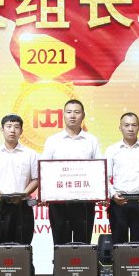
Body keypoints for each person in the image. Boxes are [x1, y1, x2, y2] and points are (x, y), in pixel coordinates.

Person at [41, 99, 102, 245]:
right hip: (58, 202)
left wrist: (100, 193)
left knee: (84, 244)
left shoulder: (91, 140)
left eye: (77, 112)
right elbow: (44, 170)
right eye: (69, 112)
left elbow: (99, 169)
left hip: (84, 202)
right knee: (60, 244)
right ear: (63, 115)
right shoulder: (53, 140)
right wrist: (44, 194)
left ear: (83, 115)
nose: (72, 116)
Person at [104, 112, 139, 244]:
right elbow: (105, 178)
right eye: (126, 125)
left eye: (134, 125)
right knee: (118, 245)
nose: (130, 129)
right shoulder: (112, 150)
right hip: (118, 202)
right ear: (120, 128)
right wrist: (113, 195)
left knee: (138, 246)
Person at [0, 114, 40, 245]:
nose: (12, 130)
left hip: (22, 206)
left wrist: (23, 194)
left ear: (21, 131)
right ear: (2, 129)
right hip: (0, 205)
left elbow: (36, 179)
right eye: (9, 126)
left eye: (16, 127)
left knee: (23, 245)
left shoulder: (31, 154)